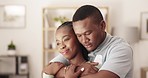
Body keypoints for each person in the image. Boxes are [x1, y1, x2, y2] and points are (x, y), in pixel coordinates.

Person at [43, 5, 133, 78]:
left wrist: (70, 74)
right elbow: (47, 71)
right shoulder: (79, 46)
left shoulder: (120, 48)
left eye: (88, 33)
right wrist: (81, 69)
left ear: (102, 25)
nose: (84, 40)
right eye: (79, 35)